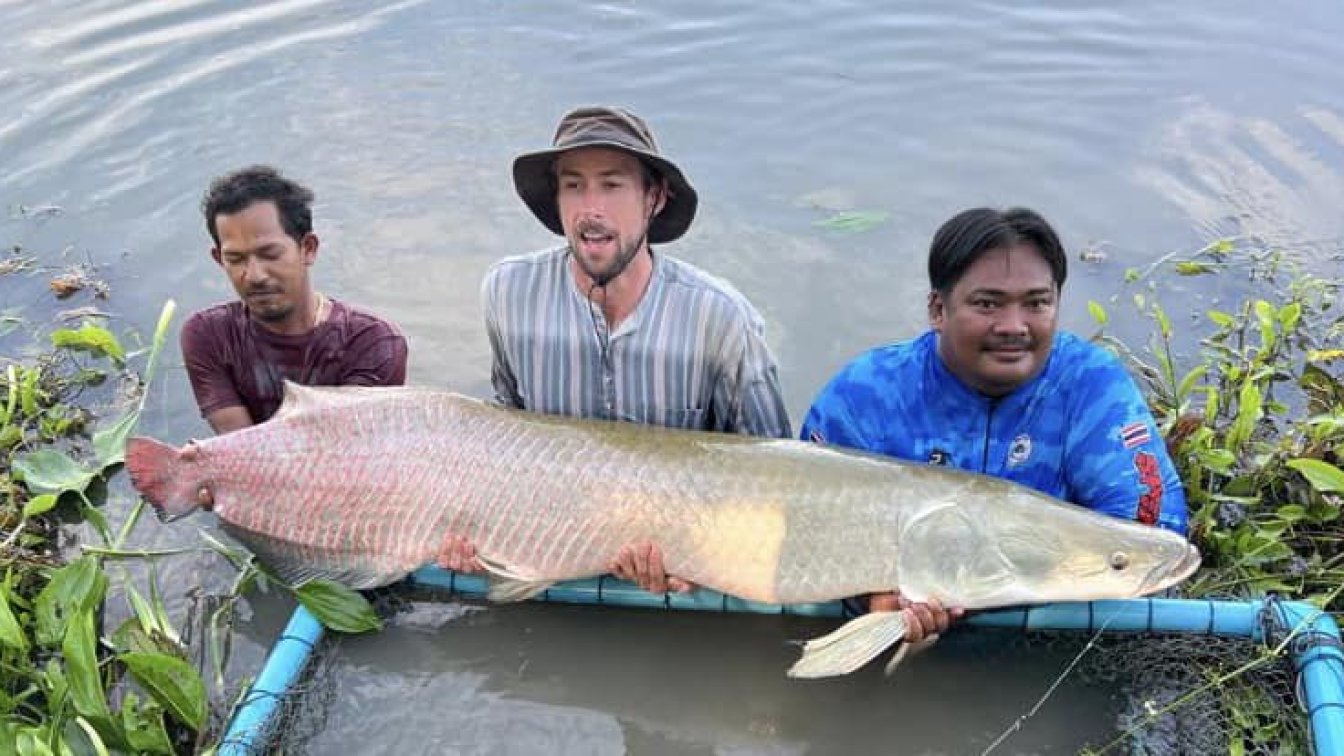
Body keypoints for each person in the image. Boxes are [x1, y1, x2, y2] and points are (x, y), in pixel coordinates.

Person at [439, 106, 792, 592]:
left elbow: (775, 484)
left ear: (655, 198)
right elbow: (505, 433)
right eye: (573, 185)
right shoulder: (508, 294)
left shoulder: (722, 318)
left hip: (680, 575)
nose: (591, 209)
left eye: (612, 184)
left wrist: (704, 557)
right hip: (548, 556)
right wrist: (475, 533)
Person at [800, 206, 1189, 642]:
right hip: (893, 634)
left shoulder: (1090, 386)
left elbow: (1152, 537)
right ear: (938, 309)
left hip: (1046, 638)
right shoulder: (862, 396)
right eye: (987, 304)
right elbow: (804, 538)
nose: (1013, 326)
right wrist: (877, 598)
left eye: (1036, 303)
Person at [182, 165, 408, 435]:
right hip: (249, 472)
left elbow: (344, 452)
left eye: (270, 254)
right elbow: (238, 444)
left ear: (308, 249)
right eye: (236, 259)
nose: (254, 276)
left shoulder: (371, 341)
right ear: (219, 259)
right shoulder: (210, 336)